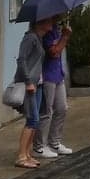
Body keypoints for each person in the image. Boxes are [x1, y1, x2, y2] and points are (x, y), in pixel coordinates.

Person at [13, 18, 52, 170]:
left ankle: (27, 154)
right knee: (32, 119)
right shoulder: (30, 38)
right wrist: (28, 81)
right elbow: (21, 60)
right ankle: (21, 156)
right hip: (31, 85)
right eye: (49, 21)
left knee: (35, 120)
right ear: (40, 23)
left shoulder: (39, 39)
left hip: (38, 83)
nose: (52, 24)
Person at [33, 16, 72, 159]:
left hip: (58, 74)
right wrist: (65, 37)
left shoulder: (56, 29)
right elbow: (54, 53)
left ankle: (54, 142)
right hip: (47, 75)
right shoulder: (46, 33)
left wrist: (63, 35)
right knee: (46, 111)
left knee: (62, 108)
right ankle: (39, 147)